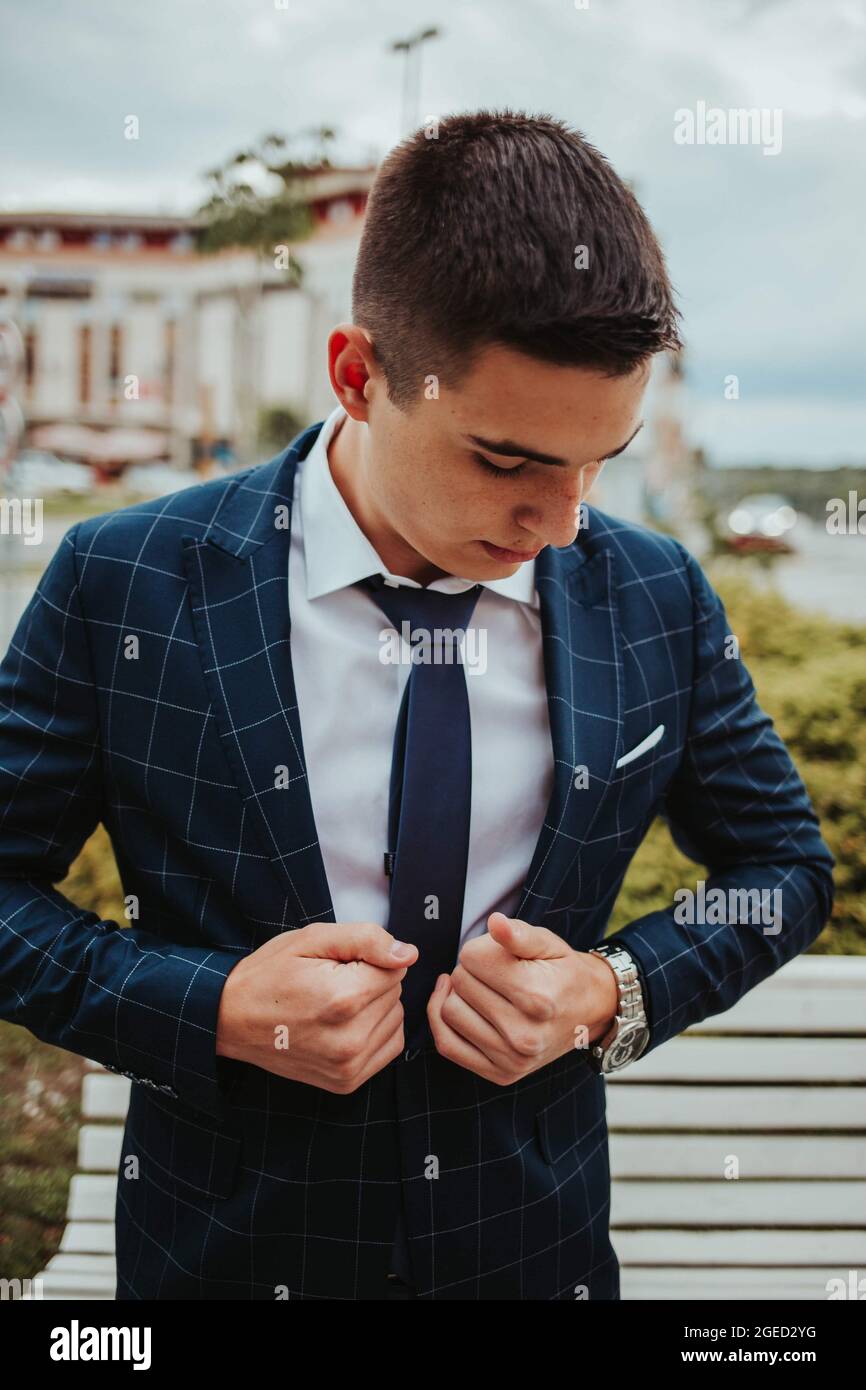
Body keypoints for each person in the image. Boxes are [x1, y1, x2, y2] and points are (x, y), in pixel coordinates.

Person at [0, 109, 834, 1301]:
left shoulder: (653, 592)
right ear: (358, 374)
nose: (561, 522)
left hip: (537, 1262)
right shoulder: (126, 577)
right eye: (505, 460)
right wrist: (212, 1006)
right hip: (225, 1262)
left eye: (599, 458)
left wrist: (610, 991)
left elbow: (783, 867)